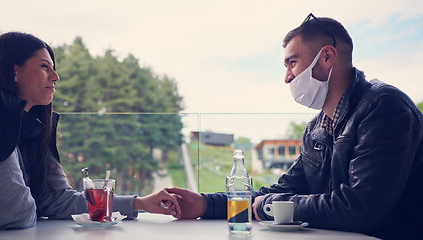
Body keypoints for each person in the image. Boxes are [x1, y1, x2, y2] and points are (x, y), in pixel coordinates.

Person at [165, 14, 423, 239]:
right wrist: (205, 205)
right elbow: (283, 191)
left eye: (292, 63)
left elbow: (360, 208)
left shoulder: (385, 108)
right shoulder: (317, 128)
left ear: (327, 56)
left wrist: (269, 205)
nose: (287, 77)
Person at [0, 32, 180, 240]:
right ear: (15, 71)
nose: (55, 77)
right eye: (45, 67)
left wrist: (140, 203)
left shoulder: (30, 126)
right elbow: (16, 213)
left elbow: (57, 200)